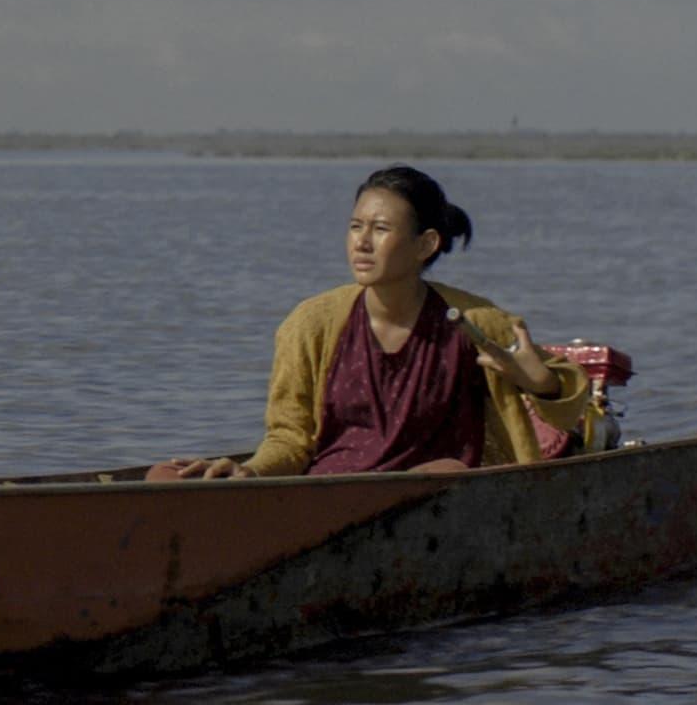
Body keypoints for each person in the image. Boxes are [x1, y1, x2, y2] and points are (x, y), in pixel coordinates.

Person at [146, 165, 597, 480]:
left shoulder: (477, 323)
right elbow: (289, 438)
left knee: (447, 473)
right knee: (166, 476)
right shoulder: (311, 324)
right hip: (328, 493)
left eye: (380, 230)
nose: (361, 243)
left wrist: (541, 386)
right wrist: (249, 472)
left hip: (433, 496)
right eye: (354, 226)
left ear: (426, 244)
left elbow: (569, 400)